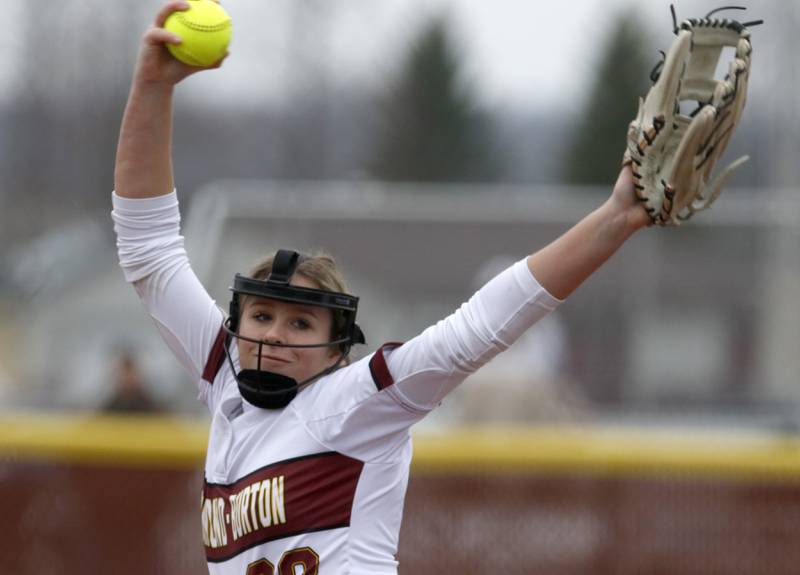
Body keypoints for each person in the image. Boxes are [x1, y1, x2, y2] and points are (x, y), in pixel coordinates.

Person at [112, 2, 650, 573]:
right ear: (237, 323)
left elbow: (479, 328)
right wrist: (152, 86)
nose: (275, 334)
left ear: (338, 349)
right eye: (263, 316)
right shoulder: (225, 381)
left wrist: (612, 221)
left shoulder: (357, 404)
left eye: (301, 323)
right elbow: (149, 252)